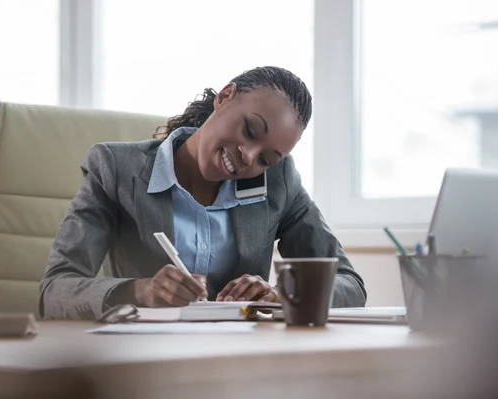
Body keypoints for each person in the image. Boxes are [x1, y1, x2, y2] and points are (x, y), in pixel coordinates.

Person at [39, 66, 366, 320]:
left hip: (237, 366)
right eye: (250, 131)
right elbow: (54, 291)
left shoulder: (278, 182)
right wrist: (141, 292)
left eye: (266, 159)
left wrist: (282, 296)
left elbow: (349, 283)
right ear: (224, 97)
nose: (248, 158)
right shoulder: (115, 169)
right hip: (141, 362)